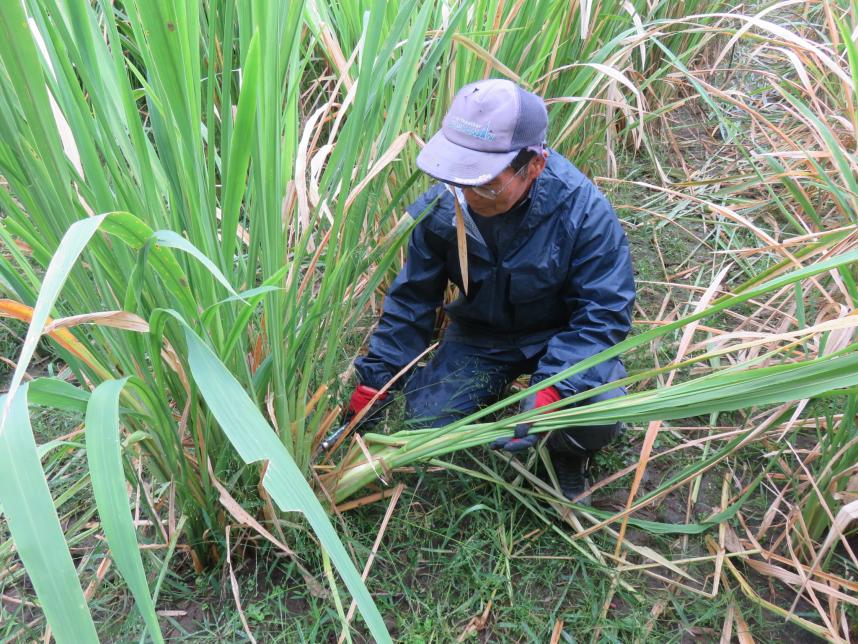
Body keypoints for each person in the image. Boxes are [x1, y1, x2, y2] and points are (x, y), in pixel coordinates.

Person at [346, 79, 635, 500]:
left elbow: (604, 314)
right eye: (459, 175)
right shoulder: (443, 206)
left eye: (485, 181)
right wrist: (377, 381)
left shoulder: (584, 213)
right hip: (481, 337)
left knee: (593, 412)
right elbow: (413, 301)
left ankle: (566, 457)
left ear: (533, 166)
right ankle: (489, 396)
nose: (467, 194)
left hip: (559, 334)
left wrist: (551, 391)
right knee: (425, 420)